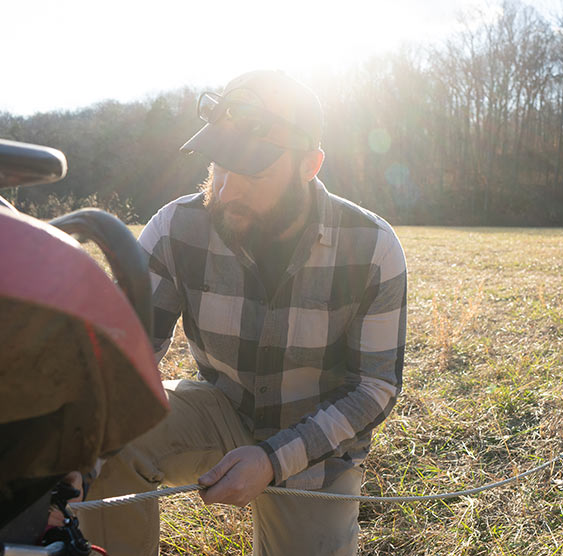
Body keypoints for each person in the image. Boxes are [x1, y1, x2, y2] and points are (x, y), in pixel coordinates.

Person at [78, 70, 407, 556]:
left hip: (317, 450)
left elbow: (374, 387)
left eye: (252, 173)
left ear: (310, 164)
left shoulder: (372, 247)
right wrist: (74, 434)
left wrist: (273, 460)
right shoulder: (175, 229)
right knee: (105, 436)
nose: (227, 191)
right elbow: (123, 354)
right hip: (223, 410)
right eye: (220, 165)